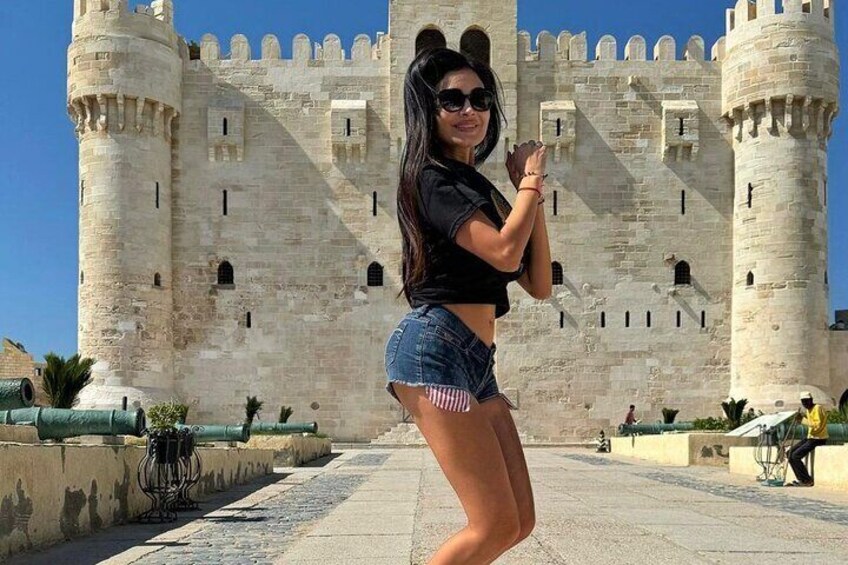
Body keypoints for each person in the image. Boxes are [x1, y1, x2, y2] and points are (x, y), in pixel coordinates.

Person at [383, 47, 552, 564]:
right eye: (451, 100)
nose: (469, 110)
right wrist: (529, 183)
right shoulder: (431, 178)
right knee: (493, 522)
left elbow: (538, 283)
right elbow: (503, 252)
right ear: (427, 109)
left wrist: (530, 194)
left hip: (477, 363)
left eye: (479, 99)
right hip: (434, 351)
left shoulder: (479, 187)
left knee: (519, 521)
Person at [786, 391, 829, 487]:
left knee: (795, 456)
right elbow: (810, 424)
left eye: (807, 401)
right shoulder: (809, 410)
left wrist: (802, 420)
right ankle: (801, 479)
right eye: (803, 402)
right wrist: (800, 419)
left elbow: (817, 425)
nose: (805, 404)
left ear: (811, 400)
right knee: (789, 453)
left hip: (818, 438)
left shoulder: (817, 408)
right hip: (811, 437)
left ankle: (807, 480)